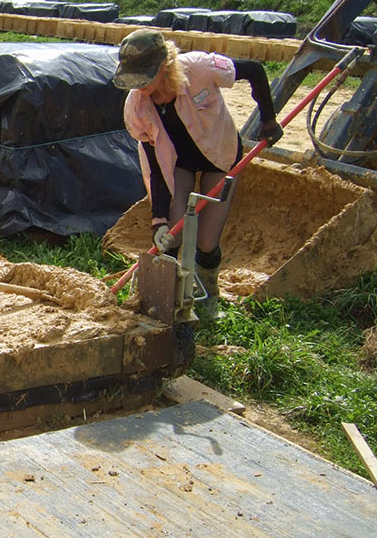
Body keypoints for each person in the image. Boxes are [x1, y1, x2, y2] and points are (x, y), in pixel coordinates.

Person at [113, 28, 283, 320]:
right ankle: (162, 302)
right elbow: (155, 167)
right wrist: (158, 220)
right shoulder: (137, 107)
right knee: (171, 235)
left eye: (144, 77)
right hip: (178, 163)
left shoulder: (201, 69)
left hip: (220, 154)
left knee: (206, 240)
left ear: (163, 66)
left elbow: (254, 70)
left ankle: (208, 298)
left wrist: (268, 120)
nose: (138, 86)